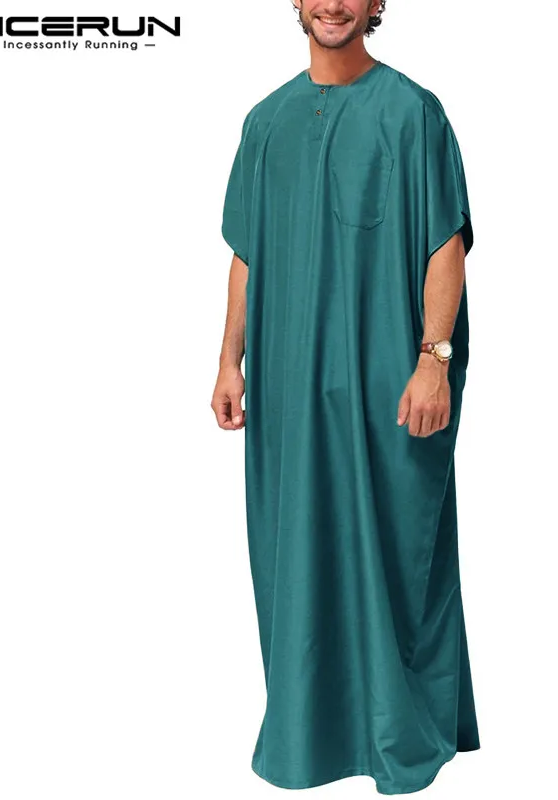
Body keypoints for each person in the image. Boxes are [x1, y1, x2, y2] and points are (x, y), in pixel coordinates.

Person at [211, 1, 480, 793]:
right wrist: (229, 361)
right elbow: (247, 254)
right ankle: (310, 736)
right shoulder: (266, 123)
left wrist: (433, 359)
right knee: (293, 554)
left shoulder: (413, 113)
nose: (333, 4)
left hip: (384, 385)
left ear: (376, 4)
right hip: (290, 391)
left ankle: (402, 734)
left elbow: (445, 243)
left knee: (396, 551)